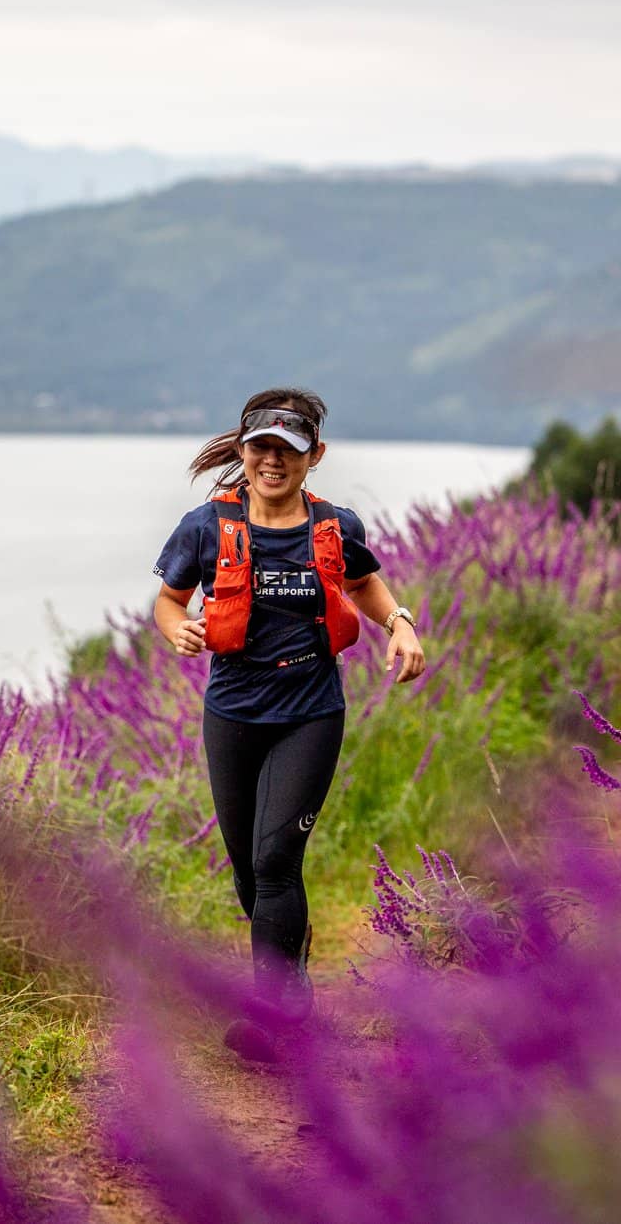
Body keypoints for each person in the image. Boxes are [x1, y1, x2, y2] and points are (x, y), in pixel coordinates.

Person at [151, 388, 426, 1058]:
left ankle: (275, 1019)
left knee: (276, 860)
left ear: (314, 458)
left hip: (309, 712)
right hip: (233, 712)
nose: (272, 461)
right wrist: (176, 633)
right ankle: (291, 966)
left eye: (288, 451)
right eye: (260, 448)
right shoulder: (204, 527)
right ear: (243, 453)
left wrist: (400, 624)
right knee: (248, 870)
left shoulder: (336, 526)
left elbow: (362, 585)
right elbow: (167, 600)